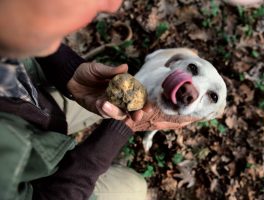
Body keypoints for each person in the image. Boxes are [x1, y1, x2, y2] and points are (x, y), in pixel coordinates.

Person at [0, 0, 198, 200]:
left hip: (36, 110)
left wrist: (68, 71)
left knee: (104, 104)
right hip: (42, 181)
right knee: (135, 187)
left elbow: (17, 27)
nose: (113, 6)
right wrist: (119, 130)